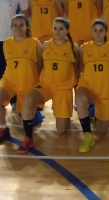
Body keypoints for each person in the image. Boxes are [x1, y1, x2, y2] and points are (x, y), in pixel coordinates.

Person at [17, 17, 79, 155]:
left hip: (63, 89)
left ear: (67, 30)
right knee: (28, 100)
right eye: (55, 28)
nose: (57, 31)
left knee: (62, 130)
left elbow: (77, 68)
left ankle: (63, 109)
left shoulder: (73, 47)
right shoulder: (46, 45)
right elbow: (40, 65)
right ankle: (28, 138)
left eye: (61, 28)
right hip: (45, 85)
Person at [0, 14, 43, 146]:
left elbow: (41, 66)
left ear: (26, 27)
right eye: (15, 25)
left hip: (28, 83)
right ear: (11, 27)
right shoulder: (7, 43)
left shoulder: (35, 43)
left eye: (21, 25)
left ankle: (30, 132)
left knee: (27, 117)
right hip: (9, 81)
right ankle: (3, 128)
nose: (18, 28)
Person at [75, 19, 109, 153]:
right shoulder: (84, 48)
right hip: (88, 86)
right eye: (95, 30)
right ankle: (88, 136)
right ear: (91, 31)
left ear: (105, 32)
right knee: (80, 100)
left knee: (102, 130)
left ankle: (92, 114)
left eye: (101, 30)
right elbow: (80, 66)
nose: (98, 33)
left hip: (105, 90)